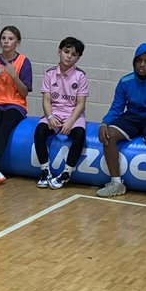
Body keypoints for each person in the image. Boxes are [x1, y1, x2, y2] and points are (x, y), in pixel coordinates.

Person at [97, 43, 146, 204]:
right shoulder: (125, 82)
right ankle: (116, 183)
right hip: (132, 117)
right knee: (109, 135)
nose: (142, 65)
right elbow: (116, 108)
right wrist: (104, 123)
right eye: (139, 60)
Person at [0, 25, 33, 186]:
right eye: (3, 38)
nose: (6, 42)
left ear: (17, 42)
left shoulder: (24, 62)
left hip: (15, 104)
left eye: (10, 39)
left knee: (4, 129)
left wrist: (14, 77)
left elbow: (24, 92)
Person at [35, 37, 88, 189]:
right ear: (59, 51)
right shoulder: (49, 74)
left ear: (78, 58)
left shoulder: (81, 76)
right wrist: (50, 117)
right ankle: (45, 171)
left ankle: (66, 173)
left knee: (79, 135)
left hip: (73, 115)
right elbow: (46, 100)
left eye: (73, 54)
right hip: (55, 113)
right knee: (39, 131)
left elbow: (80, 104)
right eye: (66, 52)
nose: (69, 56)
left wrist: (71, 121)